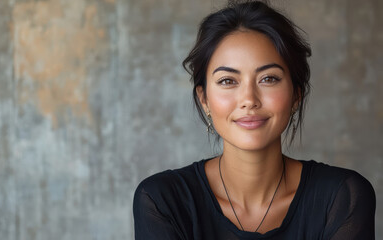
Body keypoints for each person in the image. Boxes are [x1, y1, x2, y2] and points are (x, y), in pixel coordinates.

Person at [133, 1, 376, 239]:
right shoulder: (162, 200)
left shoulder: (343, 196)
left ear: (296, 95)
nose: (249, 100)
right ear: (204, 98)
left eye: (268, 78)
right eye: (228, 81)